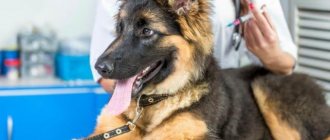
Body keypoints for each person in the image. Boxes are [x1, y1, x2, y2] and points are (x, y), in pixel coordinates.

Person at [90, 0, 297, 93]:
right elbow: (106, 76)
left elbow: (285, 66)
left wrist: (271, 54)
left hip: (221, 95)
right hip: (149, 93)